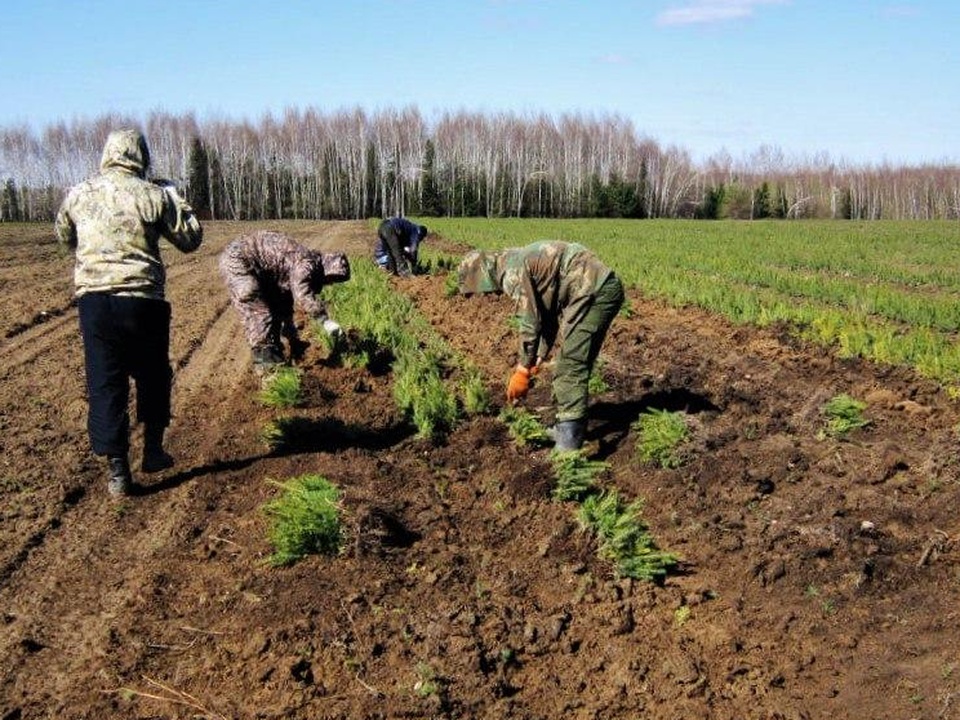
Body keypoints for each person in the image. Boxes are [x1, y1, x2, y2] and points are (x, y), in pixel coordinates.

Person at [55, 128, 204, 496]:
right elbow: (191, 238)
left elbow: (63, 236)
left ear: (107, 154)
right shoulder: (153, 194)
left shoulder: (79, 193)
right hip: (143, 301)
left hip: (95, 303)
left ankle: (118, 471)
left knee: (105, 381)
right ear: (141, 156)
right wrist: (174, 196)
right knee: (153, 374)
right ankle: (153, 451)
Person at [457, 240, 624, 451]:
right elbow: (547, 318)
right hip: (594, 287)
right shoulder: (512, 261)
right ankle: (566, 427)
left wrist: (522, 369)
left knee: (570, 366)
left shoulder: (512, 274)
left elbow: (530, 322)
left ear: (480, 276)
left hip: (594, 291)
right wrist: (539, 358)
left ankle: (569, 443)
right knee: (572, 362)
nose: (489, 296)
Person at [219, 230, 350, 375]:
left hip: (258, 267)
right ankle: (268, 367)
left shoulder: (299, 266)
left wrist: (293, 338)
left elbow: (285, 304)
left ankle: (275, 357)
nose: (329, 283)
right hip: (238, 261)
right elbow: (302, 296)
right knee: (259, 312)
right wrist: (325, 321)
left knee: (276, 306)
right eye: (331, 279)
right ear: (327, 268)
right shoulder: (305, 265)